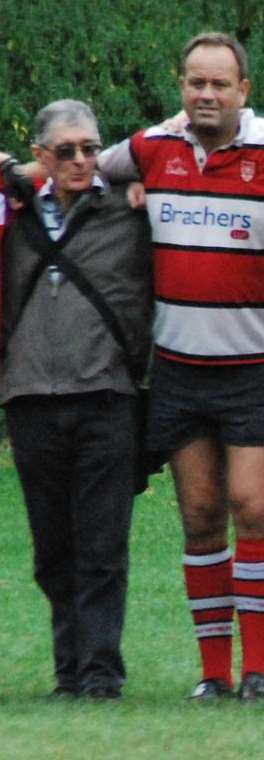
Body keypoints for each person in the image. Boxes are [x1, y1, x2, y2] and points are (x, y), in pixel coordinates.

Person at [94, 32, 264, 701]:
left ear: (243, 91)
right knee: (199, 514)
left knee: (252, 507)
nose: (206, 94)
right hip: (178, 366)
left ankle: (257, 671)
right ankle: (213, 674)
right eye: (195, 82)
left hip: (255, 365)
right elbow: (83, 168)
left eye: (219, 84)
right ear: (182, 87)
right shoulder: (150, 148)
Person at [0, 100, 152, 699]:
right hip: (30, 394)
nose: (82, 160)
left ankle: (99, 672)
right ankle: (69, 668)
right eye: (66, 151)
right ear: (42, 156)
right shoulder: (11, 213)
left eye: (90, 148)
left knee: (102, 543)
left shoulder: (130, 209)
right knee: (52, 548)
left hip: (107, 394)